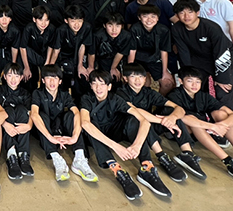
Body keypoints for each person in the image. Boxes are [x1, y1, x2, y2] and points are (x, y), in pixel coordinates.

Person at [80, 70, 171, 200]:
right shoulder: (86, 98)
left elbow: (144, 121)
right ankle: (117, 170)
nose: (98, 88)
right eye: (94, 83)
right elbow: (84, 123)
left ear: (109, 86)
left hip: (114, 132)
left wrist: (137, 146)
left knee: (133, 120)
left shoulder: (116, 99)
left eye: (102, 84)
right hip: (97, 137)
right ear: (90, 86)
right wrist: (116, 147)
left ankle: (147, 167)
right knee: (90, 126)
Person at [116, 64, 201, 182]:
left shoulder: (149, 92)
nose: (137, 80)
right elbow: (136, 111)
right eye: (133, 76)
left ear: (145, 79)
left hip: (150, 125)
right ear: (125, 78)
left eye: (141, 77)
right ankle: (162, 156)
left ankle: (187, 153)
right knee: (140, 120)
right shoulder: (120, 92)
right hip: (129, 128)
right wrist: (163, 121)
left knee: (171, 112)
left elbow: (179, 109)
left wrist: (172, 118)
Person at [31, 64, 94, 182]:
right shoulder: (37, 93)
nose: (52, 81)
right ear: (43, 80)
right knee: (41, 116)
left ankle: (79, 158)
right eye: (48, 78)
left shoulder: (64, 94)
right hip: (44, 130)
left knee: (70, 115)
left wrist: (75, 136)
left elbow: (76, 113)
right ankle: (56, 159)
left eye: (55, 78)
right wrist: (50, 137)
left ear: (60, 81)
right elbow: (34, 114)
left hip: (58, 127)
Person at [172, 0, 233, 110]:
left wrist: (222, 78)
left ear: (197, 13)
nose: (186, 16)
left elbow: (221, 52)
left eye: (190, 12)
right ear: (177, 15)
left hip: (221, 57)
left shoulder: (211, 28)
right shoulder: (176, 29)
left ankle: (226, 117)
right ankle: (201, 114)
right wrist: (187, 74)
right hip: (198, 58)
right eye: (182, 13)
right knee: (196, 88)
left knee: (223, 89)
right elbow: (183, 53)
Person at [0, 63, 34, 180]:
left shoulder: (25, 93)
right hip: (5, 126)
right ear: (4, 76)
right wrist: (5, 124)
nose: (13, 79)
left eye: (16, 76)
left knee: (22, 109)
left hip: (20, 126)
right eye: (10, 75)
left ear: (21, 77)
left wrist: (29, 126)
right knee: (7, 111)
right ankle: (11, 155)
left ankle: (23, 154)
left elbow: (31, 113)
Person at [127, 5, 174, 94]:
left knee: (167, 83)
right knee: (145, 83)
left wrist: (165, 71)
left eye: (153, 16)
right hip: (138, 60)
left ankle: (159, 101)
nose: (149, 20)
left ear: (158, 18)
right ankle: (144, 101)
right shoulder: (134, 29)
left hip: (155, 59)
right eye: (145, 16)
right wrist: (130, 71)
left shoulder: (163, 30)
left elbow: (164, 51)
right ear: (139, 18)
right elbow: (132, 51)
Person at [52, 5, 93, 97]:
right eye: (73, 21)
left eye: (79, 21)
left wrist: (80, 65)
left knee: (83, 76)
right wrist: (51, 67)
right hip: (64, 57)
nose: (77, 24)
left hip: (79, 56)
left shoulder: (87, 27)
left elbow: (82, 46)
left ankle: (79, 101)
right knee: (64, 75)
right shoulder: (61, 30)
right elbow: (56, 50)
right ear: (66, 21)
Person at [19, 5, 58, 90]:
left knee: (48, 75)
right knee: (29, 78)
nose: (43, 23)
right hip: (30, 55)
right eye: (40, 20)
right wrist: (26, 67)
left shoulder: (51, 29)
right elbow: (22, 48)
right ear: (34, 19)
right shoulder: (29, 28)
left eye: (46, 20)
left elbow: (51, 46)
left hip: (44, 55)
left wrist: (47, 63)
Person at [89, 12, 132, 82]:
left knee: (116, 78)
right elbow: (91, 53)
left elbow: (121, 53)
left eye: (118, 26)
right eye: (110, 26)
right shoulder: (97, 35)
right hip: (100, 59)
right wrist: (91, 68)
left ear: (122, 26)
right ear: (104, 25)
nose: (114, 30)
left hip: (116, 60)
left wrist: (113, 68)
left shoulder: (126, 36)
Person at [0, 5, 21, 84]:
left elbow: (14, 48)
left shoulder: (15, 31)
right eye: (1, 16)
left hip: (8, 53)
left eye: (7, 16)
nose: (4, 19)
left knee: (9, 75)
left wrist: (13, 64)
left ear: (10, 19)